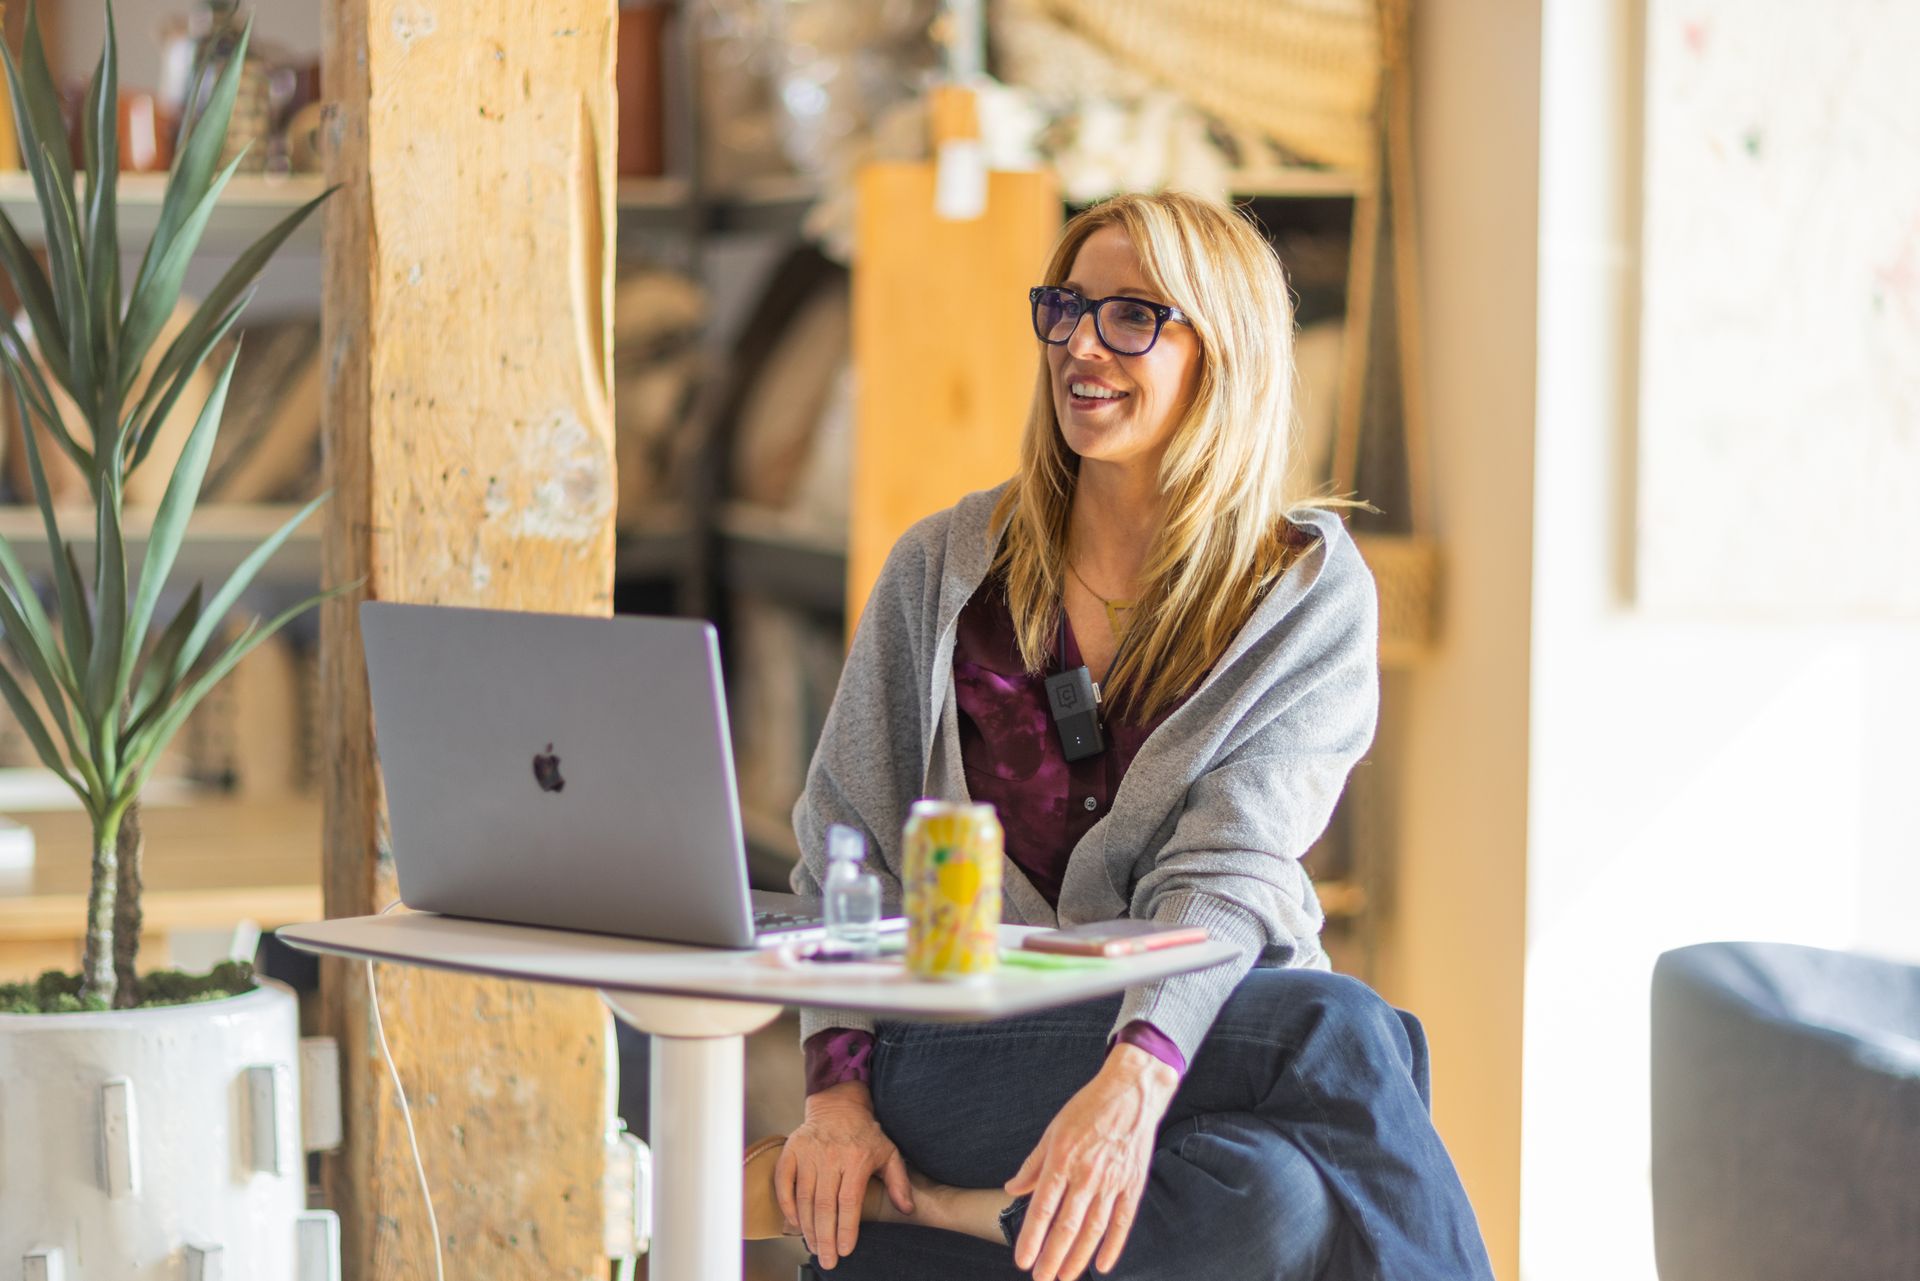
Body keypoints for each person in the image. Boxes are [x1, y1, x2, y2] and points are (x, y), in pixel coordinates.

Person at [744, 191, 1494, 1280]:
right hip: (968, 1047)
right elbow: (844, 846)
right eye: (1066, 309)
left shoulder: (1301, 591)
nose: (1083, 344)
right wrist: (837, 1097)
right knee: (1343, 1035)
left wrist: (1132, 1080)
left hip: (1191, 1040)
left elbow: (1230, 867)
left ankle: (954, 1215)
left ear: (1223, 350)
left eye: (1134, 315)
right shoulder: (946, 569)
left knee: (1273, 1198)